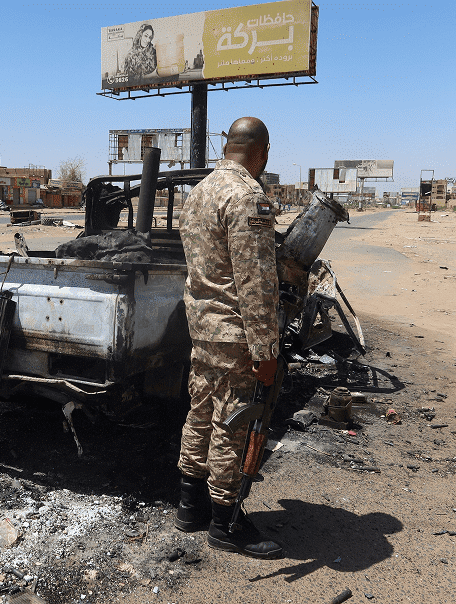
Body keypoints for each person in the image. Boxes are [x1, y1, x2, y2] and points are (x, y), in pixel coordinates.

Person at [175, 117, 283, 559]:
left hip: (202, 328)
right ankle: (226, 520)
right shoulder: (246, 197)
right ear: (263, 152)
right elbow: (256, 283)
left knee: (200, 411)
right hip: (236, 335)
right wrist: (266, 349)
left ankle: (189, 506)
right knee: (232, 423)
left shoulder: (200, 192)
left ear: (227, 146)